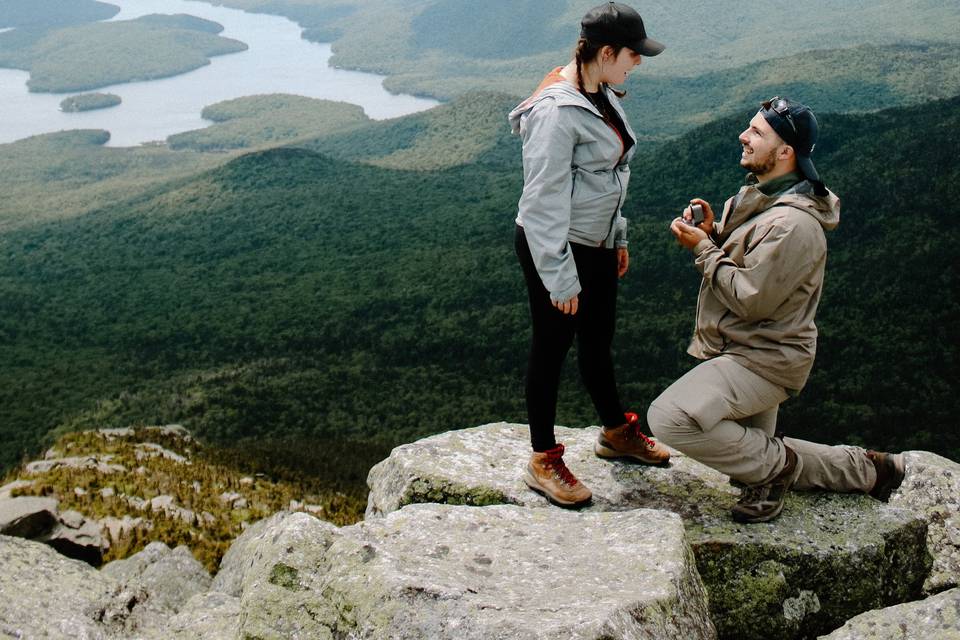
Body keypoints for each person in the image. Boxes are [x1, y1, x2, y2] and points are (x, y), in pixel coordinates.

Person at [650, 96, 905, 523]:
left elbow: (752, 300)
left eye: (756, 133)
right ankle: (871, 469)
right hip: (756, 350)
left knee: (670, 418)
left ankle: (777, 469)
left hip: (763, 360)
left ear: (785, 152)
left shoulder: (793, 224)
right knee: (748, 456)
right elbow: (755, 262)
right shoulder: (768, 196)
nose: (743, 136)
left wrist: (704, 250)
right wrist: (714, 231)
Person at [509, 2, 670, 509]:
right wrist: (559, 277)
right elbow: (541, 203)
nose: (638, 62)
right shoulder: (558, 111)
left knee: (598, 340)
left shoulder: (599, 92)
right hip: (555, 244)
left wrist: (616, 238)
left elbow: (609, 176)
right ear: (606, 52)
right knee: (551, 346)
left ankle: (615, 433)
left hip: (595, 242)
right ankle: (542, 458)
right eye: (633, 54)